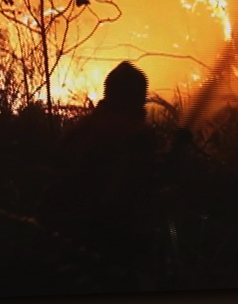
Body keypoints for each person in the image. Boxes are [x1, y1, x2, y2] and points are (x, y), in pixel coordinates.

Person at [43, 61, 159, 289]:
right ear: (137, 97)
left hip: (61, 244)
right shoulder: (138, 136)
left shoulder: (80, 130)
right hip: (109, 249)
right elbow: (130, 198)